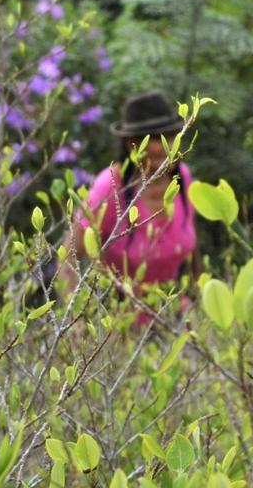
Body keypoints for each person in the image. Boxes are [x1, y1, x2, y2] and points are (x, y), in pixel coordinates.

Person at [58, 90, 198, 325]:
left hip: (173, 316)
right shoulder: (110, 188)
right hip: (119, 325)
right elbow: (68, 256)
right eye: (154, 138)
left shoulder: (183, 179)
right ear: (131, 143)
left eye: (170, 136)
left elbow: (192, 246)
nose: (164, 145)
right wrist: (77, 323)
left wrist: (196, 298)